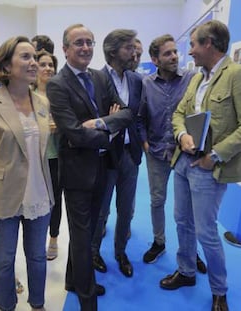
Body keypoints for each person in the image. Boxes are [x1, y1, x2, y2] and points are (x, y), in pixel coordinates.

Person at [46, 24, 132, 310]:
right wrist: (110, 133)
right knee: (83, 237)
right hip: (77, 173)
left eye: (89, 42)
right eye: (78, 42)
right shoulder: (57, 84)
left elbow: (126, 112)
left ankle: (73, 279)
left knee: (88, 230)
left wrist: (100, 125)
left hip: (103, 167)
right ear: (65, 49)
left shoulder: (100, 77)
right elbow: (72, 133)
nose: (85, 48)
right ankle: (87, 298)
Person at [160, 20, 241, 311]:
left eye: (193, 44)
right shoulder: (196, 78)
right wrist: (181, 135)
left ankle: (219, 291)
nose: (189, 51)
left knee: (206, 231)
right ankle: (186, 271)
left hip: (210, 167)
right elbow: (179, 112)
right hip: (184, 161)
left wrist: (214, 156)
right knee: (182, 220)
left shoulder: (236, 75)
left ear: (209, 44)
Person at [0, 36, 54, 311]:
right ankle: (6, 306)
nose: (34, 63)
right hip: (3, 197)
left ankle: (38, 304)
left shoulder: (42, 102)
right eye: (26, 57)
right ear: (6, 64)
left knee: (37, 258)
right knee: (4, 261)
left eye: (35, 57)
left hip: (39, 193)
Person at [137, 34, 206, 274]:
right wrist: (145, 144)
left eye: (175, 52)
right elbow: (140, 117)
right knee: (158, 200)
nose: (175, 56)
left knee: (188, 208)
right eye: (168, 53)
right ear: (155, 59)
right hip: (156, 152)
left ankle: (190, 251)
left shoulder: (192, 79)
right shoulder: (146, 84)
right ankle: (159, 242)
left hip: (184, 154)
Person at [91, 29, 143, 278]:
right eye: (129, 48)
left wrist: (140, 141)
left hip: (130, 155)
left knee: (126, 210)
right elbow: (93, 120)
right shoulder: (95, 79)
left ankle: (121, 253)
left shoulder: (136, 80)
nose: (134, 52)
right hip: (105, 154)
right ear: (113, 51)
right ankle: (93, 252)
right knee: (101, 210)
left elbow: (137, 115)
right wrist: (110, 121)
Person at [32, 50, 62, 260]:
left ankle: (54, 238)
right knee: (37, 198)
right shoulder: (27, 96)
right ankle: (37, 238)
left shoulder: (60, 94)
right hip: (35, 157)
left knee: (56, 200)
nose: (47, 68)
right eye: (43, 64)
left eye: (50, 65)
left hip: (57, 156)